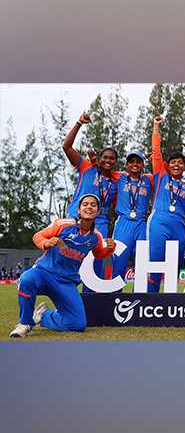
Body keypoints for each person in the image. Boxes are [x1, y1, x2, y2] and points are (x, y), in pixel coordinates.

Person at [10, 194, 116, 337]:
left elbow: (99, 254)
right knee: (26, 279)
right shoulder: (63, 225)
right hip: (44, 273)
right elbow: (37, 236)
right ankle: (25, 323)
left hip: (66, 282)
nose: (89, 207)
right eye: (85, 204)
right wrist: (46, 243)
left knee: (77, 325)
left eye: (93, 205)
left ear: (98, 211)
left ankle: (44, 316)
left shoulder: (95, 236)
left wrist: (110, 249)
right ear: (78, 210)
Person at [146, 116, 185, 293]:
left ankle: (170, 302)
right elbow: (156, 152)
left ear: (184, 167)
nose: (176, 165)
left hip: (179, 226)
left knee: (176, 264)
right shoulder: (161, 176)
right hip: (159, 222)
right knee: (155, 261)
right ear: (168, 165)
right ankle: (150, 299)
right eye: (173, 162)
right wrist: (156, 127)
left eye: (180, 163)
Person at [63, 114, 119, 291]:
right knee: (66, 259)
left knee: (95, 260)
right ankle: (64, 297)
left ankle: (89, 301)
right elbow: (66, 146)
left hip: (100, 223)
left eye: (112, 158)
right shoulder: (87, 168)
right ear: (99, 159)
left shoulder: (116, 182)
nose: (108, 161)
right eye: (105, 157)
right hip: (74, 218)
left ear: (115, 162)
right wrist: (79, 123)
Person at [111, 150, 154, 285]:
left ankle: (139, 299)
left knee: (142, 262)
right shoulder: (119, 177)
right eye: (131, 162)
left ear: (142, 165)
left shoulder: (149, 179)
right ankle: (114, 298)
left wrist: (155, 159)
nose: (134, 164)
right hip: (123, 223)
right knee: (119, 261)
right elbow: (102, 171)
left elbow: (163, 173)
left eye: (138, 162)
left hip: (141, 224)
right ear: (126, 165)